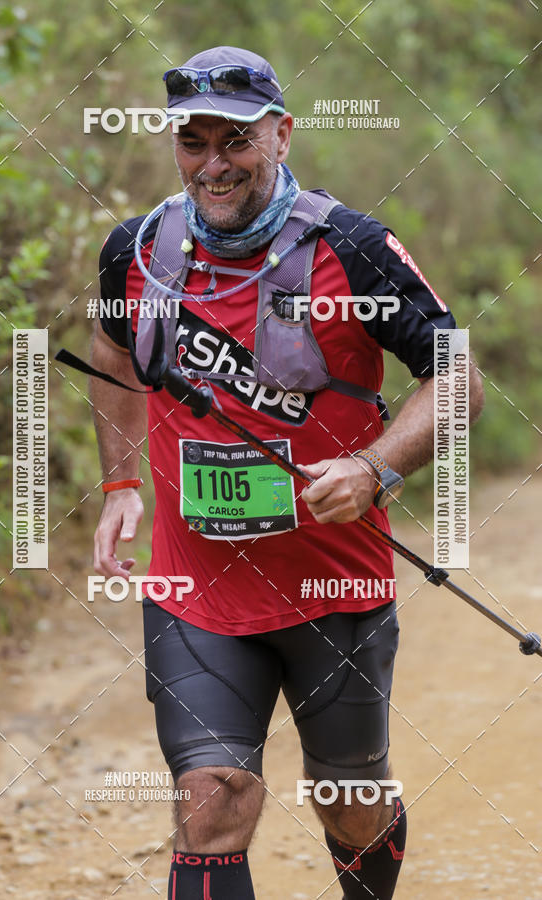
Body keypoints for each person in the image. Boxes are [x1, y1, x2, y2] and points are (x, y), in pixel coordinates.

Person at [91, 45, 484, 899]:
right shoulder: (138, 251)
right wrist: (122, 485)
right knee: (211, 802)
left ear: (280, 132)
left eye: (234, 139)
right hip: (197, 591)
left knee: (351, 802)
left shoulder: (354, 247)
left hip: (333, 590)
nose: (213, 164)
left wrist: (376, 469)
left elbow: (459, 378)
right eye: (192, 143)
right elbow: (113, 354)